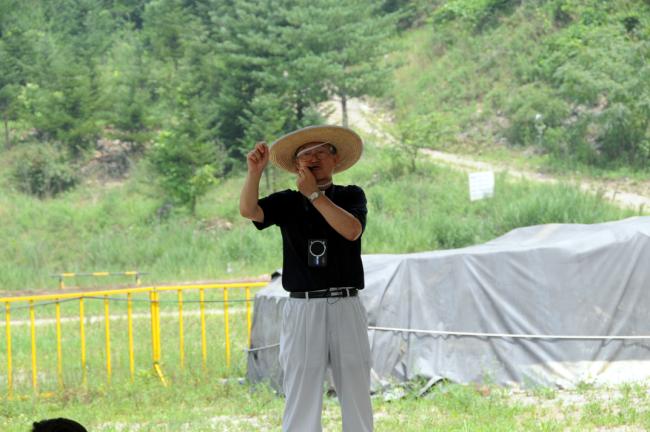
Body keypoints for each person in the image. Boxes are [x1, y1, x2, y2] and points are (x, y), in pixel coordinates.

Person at [240, 125, 373, 432]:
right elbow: (249, 210)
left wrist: (314, 195)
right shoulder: (287, 202)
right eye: (305, 154)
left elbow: (352, 230)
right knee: (302, 386)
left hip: (346, 302)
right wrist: (254, 172)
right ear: (296, 165)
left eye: (321, 152)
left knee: (355, 383)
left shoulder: (350, 195)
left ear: (335, 159)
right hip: (303, 305)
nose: (313, 159)